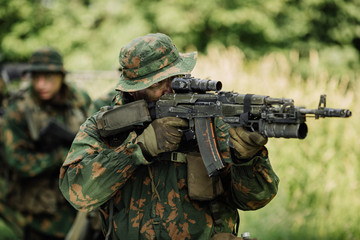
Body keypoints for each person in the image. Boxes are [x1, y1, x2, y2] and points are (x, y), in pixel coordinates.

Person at [59, 33, 279, 240]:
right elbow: (77, 193)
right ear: (133, 89)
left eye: (175, 78)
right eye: (157, 84)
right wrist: (139, 149)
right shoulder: (105, 126)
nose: (170, 89)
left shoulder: (211, 121)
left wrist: (248, 160)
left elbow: (255, 199)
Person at [1, 47, 92, 239]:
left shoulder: (79, 100)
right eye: (36, 77)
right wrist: (60, 156)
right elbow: (17, 161)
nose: (41, 84)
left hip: (77, 201)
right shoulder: (19, 110)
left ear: (61, 76)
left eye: (48, 78)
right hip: (37, 209)